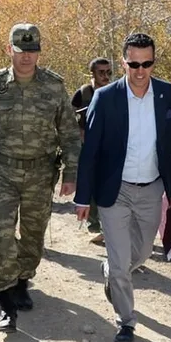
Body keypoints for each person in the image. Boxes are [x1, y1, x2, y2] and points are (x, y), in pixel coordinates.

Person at [0, 23, 81, 332]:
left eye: (31, 51)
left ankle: (22, 280)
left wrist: (71, 173)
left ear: (39, 51)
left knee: (33, 235)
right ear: (8, 50)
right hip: (1, 172)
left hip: (40, 174)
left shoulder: (54, 87)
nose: (26, 57)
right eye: (19, 50)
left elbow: (68, 133)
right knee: (2, 234)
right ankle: (5, 300)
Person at [74, 33, 171, 342]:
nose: (140, 70)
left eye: (146, 63)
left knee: (142, 252)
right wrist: (83, 197)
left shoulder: (170, 94)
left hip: (152, 189)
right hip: (115, 190)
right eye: (133, 63)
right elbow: (91, 151)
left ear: (153, 62)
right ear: (123, 62)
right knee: (123, 263)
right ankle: (126, 321)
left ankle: (112, 269)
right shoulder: (106, 98)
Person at [71, 57, 113, 244]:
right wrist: (79, 133)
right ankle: (93, 226)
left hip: (109, 147)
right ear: (92, 74)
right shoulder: (82, 93)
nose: (105, 76)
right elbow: (67, 117)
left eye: (108, 72)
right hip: (87, 147)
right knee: (89, 183)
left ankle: (110, 226)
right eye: (101, 72)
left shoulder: (114, 93)